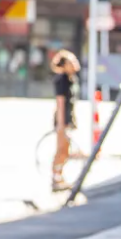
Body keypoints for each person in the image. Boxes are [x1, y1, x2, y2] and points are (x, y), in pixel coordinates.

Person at [50, 50, 80, 191]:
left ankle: (59, 176)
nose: (74, 64)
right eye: (71, 62)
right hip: (62, 119)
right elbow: (60, 103)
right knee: (61, 149)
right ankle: (56, 178)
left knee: (65, 150)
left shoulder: (70, 79)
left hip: (67, 118)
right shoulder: (61, 79)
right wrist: (61, 123)